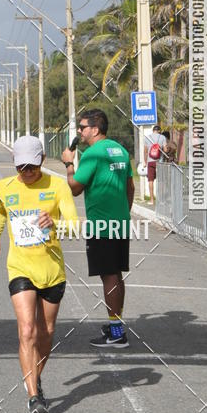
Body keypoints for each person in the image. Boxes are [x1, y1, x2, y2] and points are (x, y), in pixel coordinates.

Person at [0, 135, 78, 413]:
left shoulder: (57, 186)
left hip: (51, 270)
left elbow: (75, 226)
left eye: (31, 166)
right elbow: (0, 212)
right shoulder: (3, 187)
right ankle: (33, 398)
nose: (26, 172)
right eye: (20, 167)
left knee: (46, 332)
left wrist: (56, 223)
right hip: (20, 267)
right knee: (27, 330)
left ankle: (35, 379)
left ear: (40, 161)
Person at [61, 109, 134, 349]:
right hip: (120, 221)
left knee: (109, 276)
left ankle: (116, 333)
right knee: (116, 274)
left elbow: (75, 187)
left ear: (95, 129)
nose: (79, 132)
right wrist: (124, 211)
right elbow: (130, 186)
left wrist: (69, 164)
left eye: (82, 128)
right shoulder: (120, 150)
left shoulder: (92, 154)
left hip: (102, 225)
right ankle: (116, 325)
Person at [144, 124, 167, 204]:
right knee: (161, 181)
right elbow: (165, 150)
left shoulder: (147, 137)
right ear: (159, 131)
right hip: (159, 162)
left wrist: (145, 162)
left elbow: (146, 151)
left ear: (153, 130)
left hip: (150, 162)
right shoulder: (162, 137)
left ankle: (152, 200)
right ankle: (161, 201)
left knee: (150, 180)